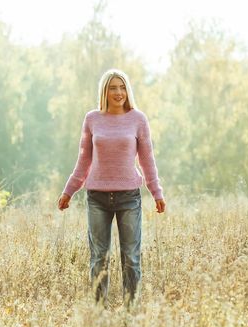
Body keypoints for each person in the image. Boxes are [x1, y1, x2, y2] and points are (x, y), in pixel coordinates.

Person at [57, 68, 166, 306]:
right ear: (105, 92)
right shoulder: (92, 119)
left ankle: (130, 311)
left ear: (128, 90)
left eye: (122, 87)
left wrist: (156, 191)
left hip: (129, 197)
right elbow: (84, 159)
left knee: (131, 258)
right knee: (99, 258)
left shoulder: (138, 119)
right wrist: (69, 190)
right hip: (97, 197)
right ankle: (99, 312)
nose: (119, 92)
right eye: (113, 88)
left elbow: (147, 159)